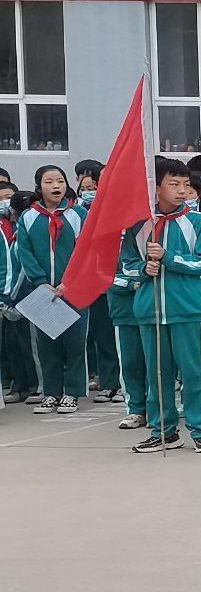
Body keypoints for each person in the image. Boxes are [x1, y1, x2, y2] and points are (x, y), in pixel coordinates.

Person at [122, 158, 201, 454]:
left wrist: (168, 258)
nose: (181, 191)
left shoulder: (197, 221)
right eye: (173, 184)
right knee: (157, 375)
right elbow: (125, 264)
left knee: (194, 372)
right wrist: (142, 270)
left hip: (187, 309)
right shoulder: (138, 225)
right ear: (155, 187)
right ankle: (162, 430)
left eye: (185, 185)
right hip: (150, 310)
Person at [13, 164, 88, 412]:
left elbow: (85, 250)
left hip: (73, 289)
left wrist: (71, 281)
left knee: (75, 342)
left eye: (60, 180)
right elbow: (24, 250)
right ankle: (51, 392)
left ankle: (73, 392)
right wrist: (40, 281)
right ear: (39, 186)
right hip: (43, 290)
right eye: (49, 181)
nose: (56, 186)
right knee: (47, 343)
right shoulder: (29, 216)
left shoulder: (78, 214)